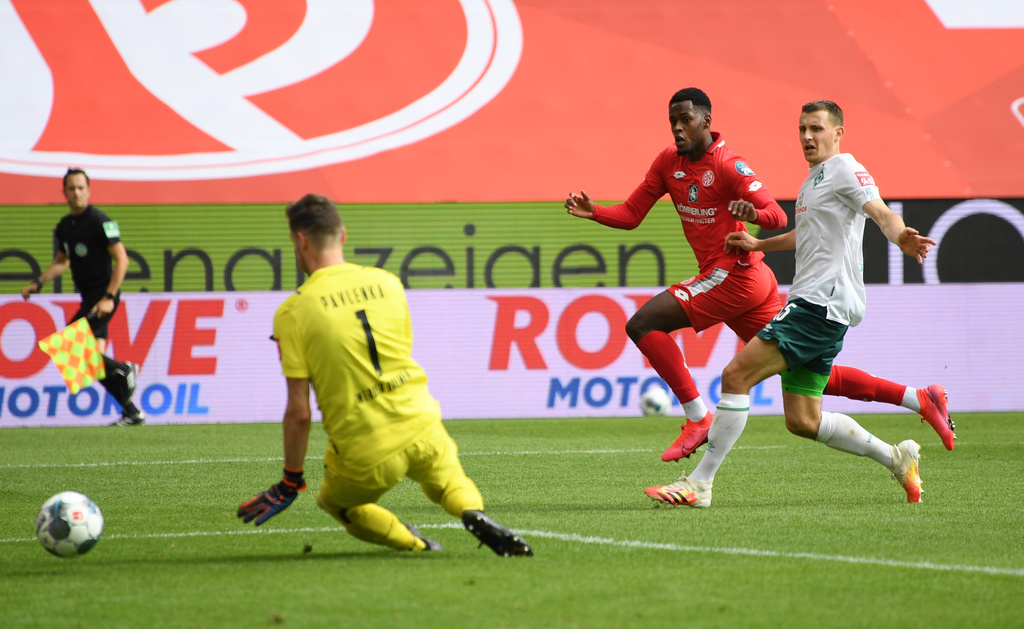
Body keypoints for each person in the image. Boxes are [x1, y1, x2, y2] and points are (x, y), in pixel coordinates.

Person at [564, 88, 954, 464]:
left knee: (644, 324)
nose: (678, 128)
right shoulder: (672, 163)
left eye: (685, 120)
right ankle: (916, 399)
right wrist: (595, 211)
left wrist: (754, 218)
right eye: (673, 122)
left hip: (734, 277)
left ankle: (699, 425)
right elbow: (632, 215)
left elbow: (780, 214)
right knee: (803, 383)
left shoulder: (732, 165)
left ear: (706, 121)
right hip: (751, 277)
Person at [646, 100, 936, 508]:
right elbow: (806, 234)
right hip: (819, 305)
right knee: (803, 420)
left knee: (735, 376)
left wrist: (900, 234)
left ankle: (699, 485)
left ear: (838, 133)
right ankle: (897, 457)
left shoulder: (844, 168)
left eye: (816, 129)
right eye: (802, 129)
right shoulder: (814, 180)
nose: (806, 137)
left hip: (819, 304)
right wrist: (758, 243)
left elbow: (878, 210)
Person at [237, 193, 532, 557]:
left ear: (300, 241)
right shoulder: (388, 283)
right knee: (449, 481)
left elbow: (299, 412)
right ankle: (471, 511)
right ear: (342, 235)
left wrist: (290, 480)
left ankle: (416, 543)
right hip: (421, 421)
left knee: (337, 504)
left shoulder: (293, 311)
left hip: (365, 448)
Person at [20, 168, 145, 427]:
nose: (76, 193)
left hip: (102, 296)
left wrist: (109, 296)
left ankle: (125, 370)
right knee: (90, 364)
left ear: (88, 190)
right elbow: (61, 262)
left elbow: (122, 259)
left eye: (80, 187)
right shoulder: (65, 227)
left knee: (68, 345)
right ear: (64, 192)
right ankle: (132, 412)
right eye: (71, 188)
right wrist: (38, 283)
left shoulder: (100, 221)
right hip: (88, 296)